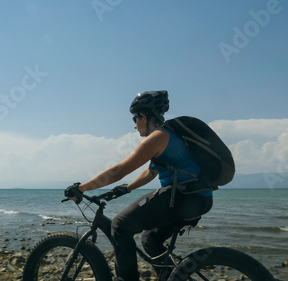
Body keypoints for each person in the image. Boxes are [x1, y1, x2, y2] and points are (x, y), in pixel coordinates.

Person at [65, 90, 213, 281]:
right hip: (198, 198)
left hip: (182, 197)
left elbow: (119, 170)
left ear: (143, 116)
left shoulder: (157, 138)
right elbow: (151, 172)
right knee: (150, 239)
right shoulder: (169, 135)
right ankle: (170, 278)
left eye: (135, 119)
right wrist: (126, 188)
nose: (135, 126)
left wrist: (81, 188)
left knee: (119, 226)